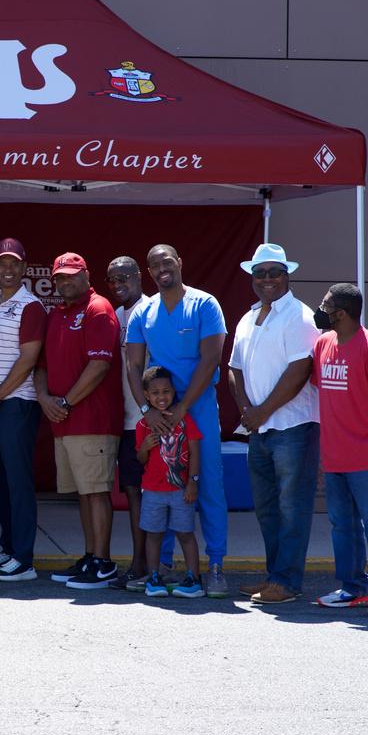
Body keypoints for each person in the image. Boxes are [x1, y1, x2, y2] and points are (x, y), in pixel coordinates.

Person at [125, 244, 230, 597]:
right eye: (154, 265)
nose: (161, 269)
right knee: (163, 486)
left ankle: (215, 566)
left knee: (208, 486)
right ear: (149, 272)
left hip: (197, 409)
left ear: (180, 262)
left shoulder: (205, 304)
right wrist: (147, 410)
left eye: (166, 262)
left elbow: (211, 358)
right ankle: (165, 567)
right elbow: (133, 364)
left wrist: (184, 406)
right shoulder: (144, 312)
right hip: (160, 411)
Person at [227, 244, 320, 605]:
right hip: (259, 430)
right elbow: (234, 369)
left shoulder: (299, 316)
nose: (267, 279)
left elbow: (300, 369)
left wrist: (262, 411)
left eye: (274, 272)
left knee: (292, 508)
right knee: (267, 509)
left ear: (287, 275)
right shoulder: (248, 318)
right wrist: (247, 410)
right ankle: (275, 577)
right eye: (260, 272)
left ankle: (287, 582)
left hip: (292, 427)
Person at [311, 284, 368, 616]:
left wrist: (366, 414)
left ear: (342, 313)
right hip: (334, 454)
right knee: (342, 525)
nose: (320, 310)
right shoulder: (323, 343)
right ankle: (354, 588)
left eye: (326, 305)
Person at [36, 253, 122, 590]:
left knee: (97, 492)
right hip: (64, 420)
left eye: (71, 275)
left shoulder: (98, 309)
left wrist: (65, 402)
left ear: (86, 275)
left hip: (92, 420)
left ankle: (103, 563)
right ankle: (90, 556)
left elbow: (99, 366)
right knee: (84, 495)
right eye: (60, 277)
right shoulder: (57, 314)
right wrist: (45, 399)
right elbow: (41, 366)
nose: (65, 281)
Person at [0, 239, 46, 583]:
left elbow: (29, 358)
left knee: (18, 481)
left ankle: (24, 558)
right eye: (2, 263)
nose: (8, 269)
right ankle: (8, 548)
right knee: (0, 482)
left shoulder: (31, 306)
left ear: (24, 268)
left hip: (17, 402)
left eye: (14, 263)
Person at [136, 367, 205, 599]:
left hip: (180, 490)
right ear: (146, 396)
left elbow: (195, 451)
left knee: (185, 534)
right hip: (153, 491)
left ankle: (193, 579)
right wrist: (145, 447)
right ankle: (153, 577)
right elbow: (140, 459)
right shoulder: (143, 425)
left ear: (174, 392)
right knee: (153, 535)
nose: (161, 397)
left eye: (166, 391)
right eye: (155, 393)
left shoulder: (184, 419)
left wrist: (193, 482)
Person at [106, 256, 150, 589]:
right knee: (133, 492)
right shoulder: (115, 315)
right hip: (122, 420)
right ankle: (140, 564)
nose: (118, 284)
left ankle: (149, 565)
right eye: (112, 279)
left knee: (154, 495)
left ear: (138, 276)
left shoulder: (151, 311)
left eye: (124, 277)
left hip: (147, 419)